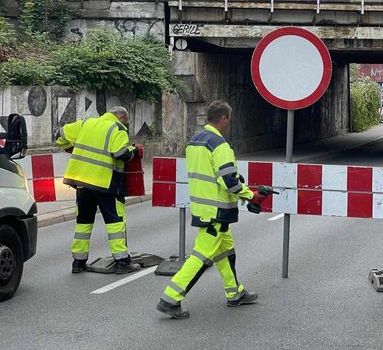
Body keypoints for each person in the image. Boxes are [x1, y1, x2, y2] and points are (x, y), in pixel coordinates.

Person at [156, 101, 267, 319]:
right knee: (201, 256)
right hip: (216, 210)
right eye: (229, 119)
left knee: (225, 250)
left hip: (203, 206)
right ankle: (170, 298)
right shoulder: (220, 145)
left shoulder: (195, 141)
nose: (229, 123)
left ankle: (234, 293)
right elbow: (227, 179)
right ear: (223, 118)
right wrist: (250, 195)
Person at [56, 106, 142, 274]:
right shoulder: (117, 128)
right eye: (126, 121)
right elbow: (120, 154)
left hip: (82, 183)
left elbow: (60, 136)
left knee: (83, 222)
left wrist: (71, 149)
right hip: (105, 183)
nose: (126, 125)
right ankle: (122, 261)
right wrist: (135, 150)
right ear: (121, 117)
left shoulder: (86, 123)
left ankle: (78, 262)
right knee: (115, 221)